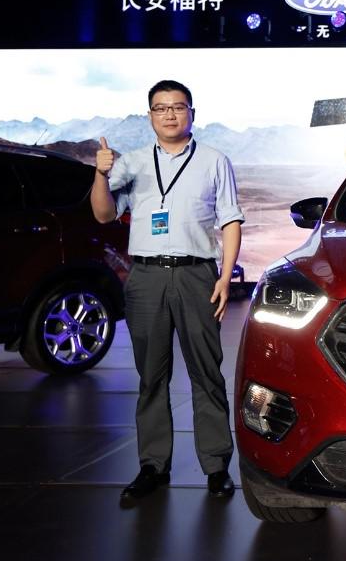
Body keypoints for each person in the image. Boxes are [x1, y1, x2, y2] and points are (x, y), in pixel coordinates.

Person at [91, 79, 244, 504]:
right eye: (161, 108)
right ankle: (153, 466)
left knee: (206, 373)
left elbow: (230, 220)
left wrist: (224, 277)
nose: (170, 114)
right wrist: (100, 173)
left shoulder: (215, 160)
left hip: (197, 275)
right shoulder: (132, 163)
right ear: (150, 116)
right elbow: (103, 213)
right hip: (146, 277)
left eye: (178, 107)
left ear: (192, 113)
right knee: (151, 376)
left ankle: (216, 467)